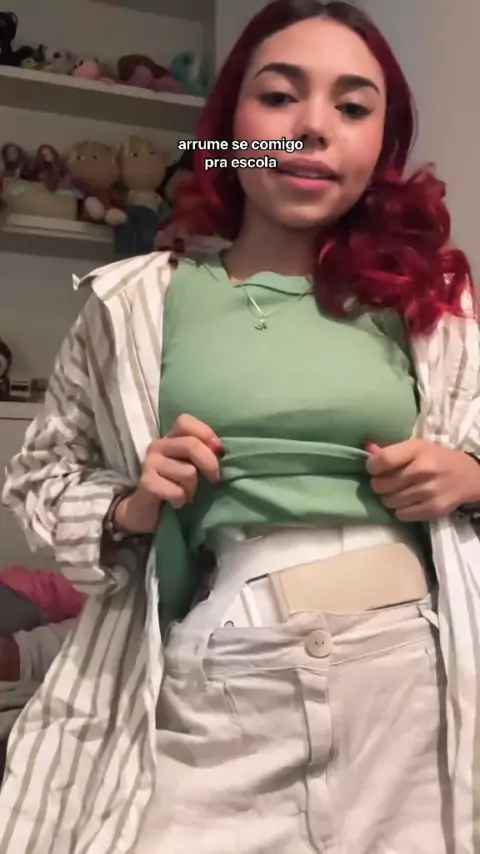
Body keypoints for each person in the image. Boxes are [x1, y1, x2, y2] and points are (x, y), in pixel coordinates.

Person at [0, 1, 480, 852]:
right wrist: (131, 504)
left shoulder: (430, 303)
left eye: (353, 106)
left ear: (380, 146)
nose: (313, 127)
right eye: (280, 96)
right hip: (220, 679)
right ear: (230, 128)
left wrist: (472, 477)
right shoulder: (135, 301)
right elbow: (38, 477)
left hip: (411, 686)